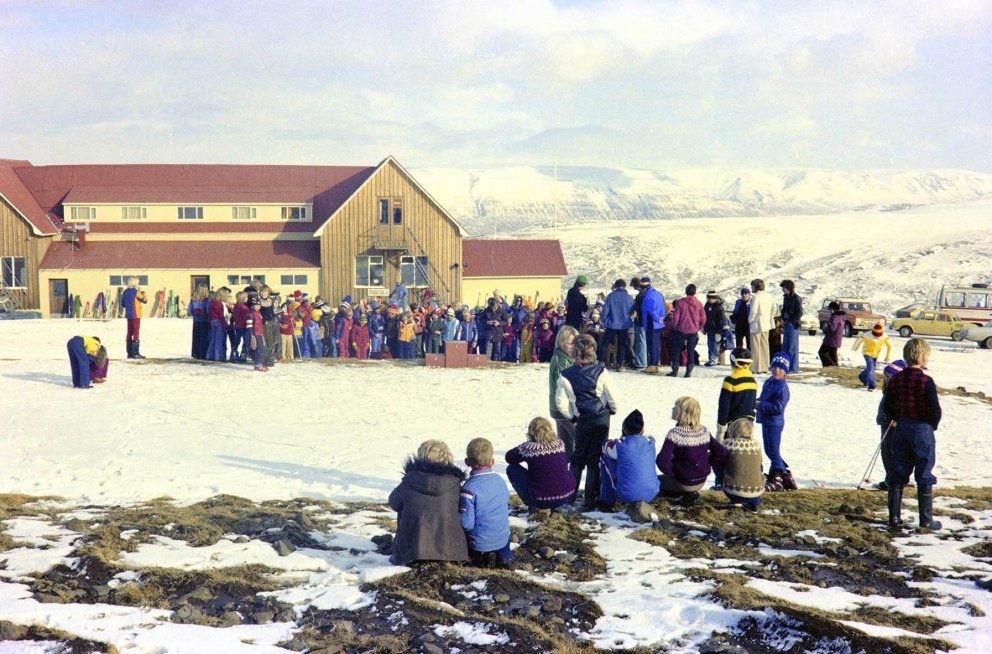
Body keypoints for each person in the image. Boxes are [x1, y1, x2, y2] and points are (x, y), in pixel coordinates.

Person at [555, 334, 620, 510]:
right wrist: (612, 409)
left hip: (581, 418)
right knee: (595, 458)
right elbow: (613, 397)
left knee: (578, 457)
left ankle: (568, 496)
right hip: (600, 418)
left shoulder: (565, 375)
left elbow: (560, 402)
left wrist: (571, 416)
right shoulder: (602, 372)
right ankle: (590, 499)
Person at [883, 339, 942, 531]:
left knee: (898, 470)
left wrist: (898, 418)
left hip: (901, 428)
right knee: (924, 470)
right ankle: (926, 519)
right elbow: (935, 409)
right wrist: (931, 424)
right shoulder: (926, 380)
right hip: (922, 429)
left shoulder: (896, 379)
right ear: (924, 357)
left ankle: (894, 517)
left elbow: (887, 405)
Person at [388, 440, 469, 565]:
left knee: (404, 504)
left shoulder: (410, 480)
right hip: (450, 550)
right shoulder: (455, 484)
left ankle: (406, 549)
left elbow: (394, 502)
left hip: (413, 550)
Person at [656, 396, 726, 506]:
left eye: (675, 407)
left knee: (654, 483)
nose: (672, 409)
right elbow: (721, 452)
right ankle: (688, 495)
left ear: (681, 412)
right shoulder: (704, 431)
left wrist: (673, 472)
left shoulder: (675, 433)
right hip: (701, 480)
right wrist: (707, 462)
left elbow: (661, 461)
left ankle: (683, 494)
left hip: (683, 482)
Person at [459, 438, 512, 568]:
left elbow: (466, 524)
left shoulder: (468, 489)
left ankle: (480, 559)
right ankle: (505, 558)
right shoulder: (500, 480)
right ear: (492, 461)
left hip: (479, 543)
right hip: (503, 537)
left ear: (467, 462)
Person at [505, 417, 576, 511]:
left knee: (511, 469)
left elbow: (509, 457)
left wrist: (525, 447)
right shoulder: (559, 444)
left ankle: (533, 504)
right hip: (566, 494)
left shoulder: (529, 448)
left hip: (542, 499)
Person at [712, 348, 758, 489]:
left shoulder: (730, 380)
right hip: (748, 424)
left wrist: (721, 425)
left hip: (732, 425)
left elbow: (724, 405)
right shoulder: (752, 380)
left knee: (722, 455)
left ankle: (721, 482)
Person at [599, 409, 660, 507]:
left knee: (604, 458)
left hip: (627, 494)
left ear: (624, 429)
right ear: (642, 430)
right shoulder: (650, 442)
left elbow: (605, 447)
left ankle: (607, 501)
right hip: (652, 492)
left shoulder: (619, 445)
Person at [757, 352, 795, 491]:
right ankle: (784, 476)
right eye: (774, 367)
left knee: (773, 451)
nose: (776, 370)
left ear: (785, 371)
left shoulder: (783, 388)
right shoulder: (769, 382)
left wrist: (759, 405)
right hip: (766, 420)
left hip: (775, 422)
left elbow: (777, 407)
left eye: (780, 368)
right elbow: (763, 398)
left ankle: (778, 476)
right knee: (769, 450)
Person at [873, 359, 906, 491]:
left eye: (890, 377)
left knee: (891, 453)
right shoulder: (888, 389)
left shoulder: (899, 391)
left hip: (893, 424)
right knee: (886, 452)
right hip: (885, 422)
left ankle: (893, 480)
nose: (887, 379)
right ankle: (890, 478)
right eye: (886, 376)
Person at [721, 418, 764, 511]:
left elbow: (718, 460)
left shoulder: (728, 444)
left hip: (734, 490)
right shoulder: (756, 445)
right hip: (757, 490)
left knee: (721, 463)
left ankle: (735, 499)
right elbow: (760, 467)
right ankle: (754, 503)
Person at [548, 325, 579, 455]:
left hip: (558, 409)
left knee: (565, 447)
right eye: (570, 343)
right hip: (564, 409)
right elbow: (568, 388)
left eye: (575, 343)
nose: (573, 347)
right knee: (580, 439)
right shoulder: (562, 362)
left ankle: (562, 471)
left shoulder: (565, 358)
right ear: (561, 342)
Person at [668, 284, 706, 378]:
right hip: (693, 331)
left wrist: (675, 327)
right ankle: (688, 371)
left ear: (686, 291)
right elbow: (703, 318)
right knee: (690, 351)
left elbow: (676, 317)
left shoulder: (681, 303)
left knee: (676, 350)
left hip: (681, 330)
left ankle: (675, 370)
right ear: (694, 292)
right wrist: (698, 327)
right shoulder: (699, 303)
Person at [600, 279, 635, 371]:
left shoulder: (610, 296)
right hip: (624, 325)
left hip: (611, 324)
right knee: (622, 345)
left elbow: (605, 311)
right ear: (625, 286)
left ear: (615, 286)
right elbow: (632, 311)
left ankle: (601, 362)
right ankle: (619, 364)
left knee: (605, 343)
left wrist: (604, 320)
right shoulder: (629, 298)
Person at [852, 324, 892, 391]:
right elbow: (859, 340)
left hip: (876, 354)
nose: (876, 337)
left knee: (871, 368)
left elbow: (890, 346)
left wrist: (887, 356)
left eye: (878, 335)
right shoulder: (867, 335)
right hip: (867, 353)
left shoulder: (884, 336)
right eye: (875, 335)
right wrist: (854, 348)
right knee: (871, 367)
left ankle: (862, 376)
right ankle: (872, 385)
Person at [639, 277, 666, 373]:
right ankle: (655, 364)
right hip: (659, 324)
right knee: (656, 344)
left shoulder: (648, 296)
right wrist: (661, 318)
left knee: (652, 345)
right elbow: (663, 308)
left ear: (644, 288)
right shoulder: (658, 294)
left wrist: (657, 319)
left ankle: (652, 365)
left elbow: (651, 311)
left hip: (652, 323)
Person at [748, 279, 774, 374]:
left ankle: (755, 367)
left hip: (756, 324)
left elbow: (754, 311)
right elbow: (774, 309)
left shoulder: (756, 297)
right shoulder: (769, 296)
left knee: (755, 347)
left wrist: (750, 320)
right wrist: (769, 317)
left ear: (755, 286)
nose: (751, 289)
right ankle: (764, 367)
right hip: (766, 324)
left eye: (752, 286)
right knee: (764, 346)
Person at [779, 280, 803, 374]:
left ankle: (794, 368)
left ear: (788, 288)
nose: (782, 290)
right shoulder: (785, 298)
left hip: (793, 325)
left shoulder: (796, 298)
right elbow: (784, 309)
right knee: (785, 346)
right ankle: (786, 367)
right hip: (786, 323)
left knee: (793, 347)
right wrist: (782, 319)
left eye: (783, 288)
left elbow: (800, 312)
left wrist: (793, 321)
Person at [121, 277, 148, 359]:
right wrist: (143, 293)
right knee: (136, 332)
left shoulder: (125, 292)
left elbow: (123, 304)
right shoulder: (137, 292)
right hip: (136, 314)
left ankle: (129, 353)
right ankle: (135, 353)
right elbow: (145, 301)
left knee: (129, 332)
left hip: (129, 314)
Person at [818, 301, 845, 367]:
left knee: (822, 352)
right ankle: (834, 367)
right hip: (836, 339)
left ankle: (830, 367)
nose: (829, 311)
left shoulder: (835, 317)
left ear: (833, 309)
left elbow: (832, 328)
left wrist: (825, 328)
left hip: (831, 340)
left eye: (830, 309)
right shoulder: (840, 317)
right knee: (832, 355)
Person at [703, 290, 725, 367]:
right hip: (709, 328)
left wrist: (719, 332)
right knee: (710, 344)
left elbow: (721, 320)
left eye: (712, 297)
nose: (710, 299)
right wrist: (704, 327)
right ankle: (712, 359)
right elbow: (704, 317)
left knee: (714, 344)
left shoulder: (719, 307)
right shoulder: (707, 305)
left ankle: (714, 359)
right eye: (709, 297)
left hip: (716, 329)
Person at [188, 285, 210, 360]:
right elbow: (207, 310)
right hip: (204, 320)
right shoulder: (206, 300)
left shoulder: (193, 299)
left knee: (196, 337)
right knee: (203, 337)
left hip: (196, 320)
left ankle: (195, 353)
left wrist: (194, 315)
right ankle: (203, 353)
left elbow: (190, 310)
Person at [248, 298, 268, 372]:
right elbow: (249, 326)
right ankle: (257, 365)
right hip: (255, 334)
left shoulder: (258, 313)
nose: (257, 307)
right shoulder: (250, 314)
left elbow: (261, 321)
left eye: (259, 305)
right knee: (258, 349)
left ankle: (260, 362)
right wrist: (252, 335)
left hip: (260, 333)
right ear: (252, 306)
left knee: (261, 348)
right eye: (255, 305)